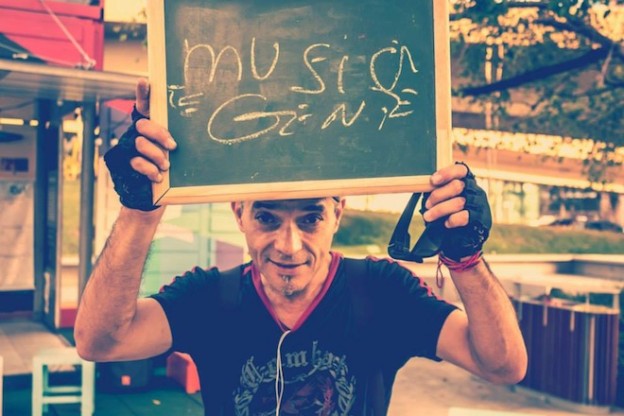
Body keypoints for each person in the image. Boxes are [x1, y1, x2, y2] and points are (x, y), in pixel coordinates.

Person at [74, 79, 527, 415]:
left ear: (338, 213)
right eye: (267, 218)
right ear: (238, 214)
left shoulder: (382, 291)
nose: (289, 247)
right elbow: (98, 342)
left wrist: (466, 259)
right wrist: (138, 211)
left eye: (310, 219)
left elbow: (504, 366)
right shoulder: (209, 297)